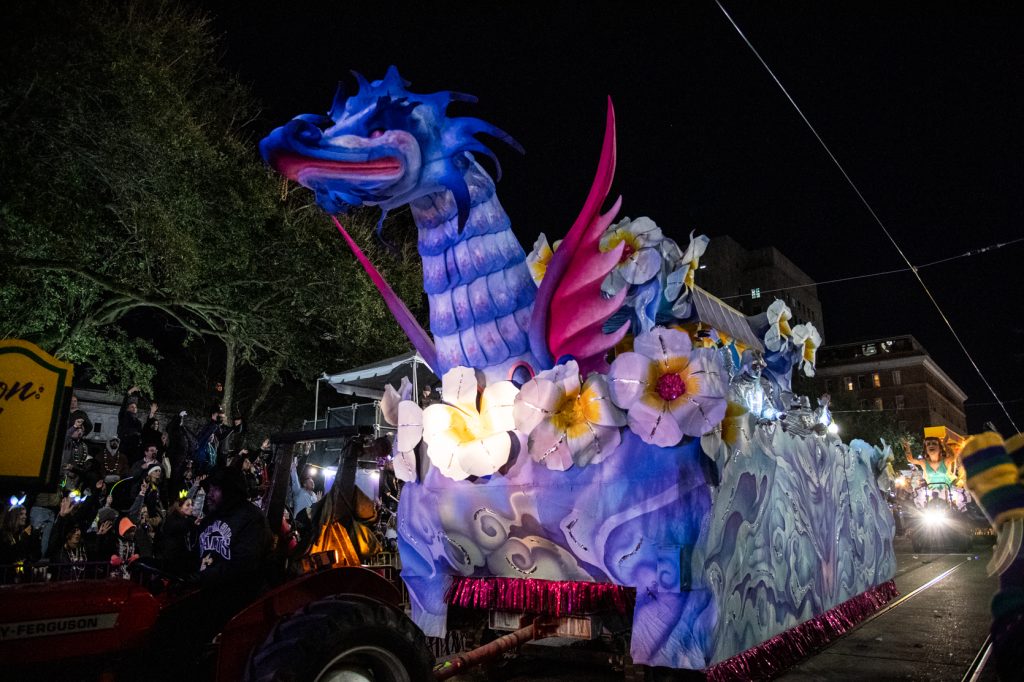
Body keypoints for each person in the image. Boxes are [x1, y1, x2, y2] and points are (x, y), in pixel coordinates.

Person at [197, 467, 271, 625]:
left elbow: (245, 564)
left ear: (230, 491)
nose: (209, 494)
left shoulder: (252, 518)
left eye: (216, 489)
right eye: (209, 488)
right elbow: (194, 555)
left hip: (239, 609)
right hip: (206, 601)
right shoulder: (209, 519)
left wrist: (204, 577)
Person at [118, 386, 145, 463]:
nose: (134, 408)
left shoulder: (138, 422)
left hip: (135, 447)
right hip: (124, 445)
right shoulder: (123, 416)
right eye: (132, 407)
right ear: (127, 408)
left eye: (135, 407)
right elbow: (123, 405)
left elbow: (141, 433)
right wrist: (130, 391)